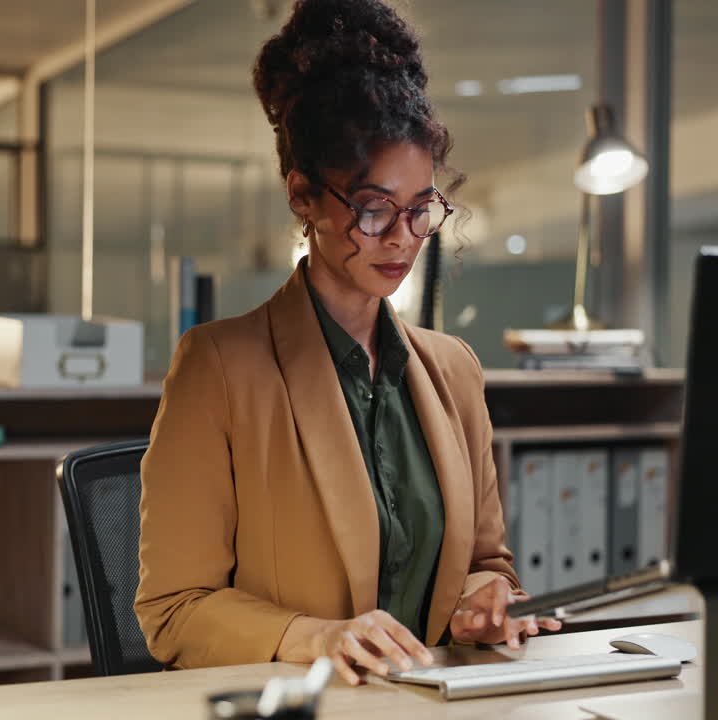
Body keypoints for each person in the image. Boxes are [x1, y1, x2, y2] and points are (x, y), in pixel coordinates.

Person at [134, 0, 559, 685]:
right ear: (304, 196)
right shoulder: (218, 368)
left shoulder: (453, 371)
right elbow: (173, 610)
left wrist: (486, 605)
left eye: (422, 208)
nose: (402, 237)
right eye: (372, 208)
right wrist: (313, 637)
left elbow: (488, 564)